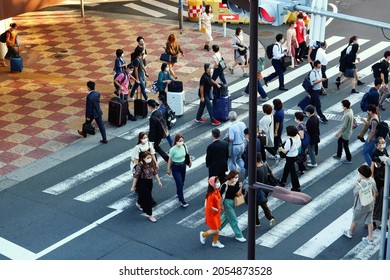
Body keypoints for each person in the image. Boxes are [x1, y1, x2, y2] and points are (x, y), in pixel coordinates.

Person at [343, 165, 378, 245]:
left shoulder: (362, 184)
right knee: (369, 221)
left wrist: (356, 185)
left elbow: (355, 193)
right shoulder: (372, 180)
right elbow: (375, 191)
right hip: (370, 203)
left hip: (361, 205)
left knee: (355, 219)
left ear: (362, 174)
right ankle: (370, 238)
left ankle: (350, 232)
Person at [130, 151, 162, 223]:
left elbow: (155, 172)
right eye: (148, 158)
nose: (150, 159)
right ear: (143, 159)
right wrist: (133, 186)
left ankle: (139, 203)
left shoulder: (151, 163)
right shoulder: (139, 166)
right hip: (142, 182)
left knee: (144, 195)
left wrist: (159, 181)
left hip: (149, 181)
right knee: (148, 197)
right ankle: (150, 214)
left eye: (150, 157)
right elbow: (136, 177)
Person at [219, 171, 246, 242]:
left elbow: (237, 194)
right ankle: (239, 235)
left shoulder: (237, 183)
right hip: (226, 203)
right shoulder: (225, 185)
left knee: (226, 217)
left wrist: (240, 187)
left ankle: (217, 228)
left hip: (233, 202)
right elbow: (220, 196)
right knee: (233, 219)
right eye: (235, 177)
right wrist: (221, 205)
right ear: (231, 177)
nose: (237, 179)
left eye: (237, 177)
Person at [167, 133, 191, 208]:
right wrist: (168, 169)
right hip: (175, 167)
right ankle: (182, 200)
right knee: (179, 183)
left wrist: (189, 161)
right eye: (180, 141)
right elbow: (170, 160)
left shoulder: (184, 146)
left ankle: (178, 193)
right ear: (176, 141)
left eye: (182, 140)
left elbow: (187, 154)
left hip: (183, 166)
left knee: (182, 182)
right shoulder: (173, 149)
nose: (181, 142)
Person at [252, 152, 276, 227]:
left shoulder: (255, 170)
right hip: (265, 188)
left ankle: (257, 222)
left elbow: (252, 181)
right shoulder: (265, 165)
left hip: (257, 189)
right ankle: (270, 218)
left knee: (255, 206)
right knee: (263, 203)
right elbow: (272, 174)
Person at [200, 176, 224, 248]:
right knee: (216, 230)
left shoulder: (216, 191)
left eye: (218, 181)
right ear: (212, 183)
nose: (218, 183)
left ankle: (215, 242)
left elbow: (220, 199)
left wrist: (221, 205)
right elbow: (209, 207)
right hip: (212, 214)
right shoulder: (211, 195)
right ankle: (203, 235)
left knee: (217, 227)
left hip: (216, 213)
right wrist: (218, 209)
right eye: (216, 182)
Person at [278, 125, 302, 192]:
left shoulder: (289, 140)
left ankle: (296, 187)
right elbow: (299, 144)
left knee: (293, 172)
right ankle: (283, 180)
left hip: (290, 156)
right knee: (287, 167)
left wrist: (280, 148)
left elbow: (285, 151)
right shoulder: (297, 136)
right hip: (295, 154)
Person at [357, 78, 381, 142]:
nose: (380, 86)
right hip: (372, 111)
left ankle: (361, 135)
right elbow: (377, 106)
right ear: (378, 85)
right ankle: (363, 136)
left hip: (369, 108)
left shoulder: (371, 89)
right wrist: (378, 114)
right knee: (370, 123)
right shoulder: (376, 94)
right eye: (380, 85)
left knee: (368, 123)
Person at [333, 100, 354, 164]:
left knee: (345, 146)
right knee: (340, 142)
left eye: (342, 105)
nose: (341, 106)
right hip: (348, 131)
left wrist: (338, 133)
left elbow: (344, 126)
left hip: (346, 133)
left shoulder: (347, 114)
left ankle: (349, 159)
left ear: (345, 107)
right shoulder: (350, 110)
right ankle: (339, 155)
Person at [371, 157, 385, 229]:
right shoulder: (384, 170)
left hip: (380, 191)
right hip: (383, 190)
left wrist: (375, 192)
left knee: (376, 206)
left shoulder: (378, 173)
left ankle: (373, 222)